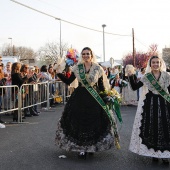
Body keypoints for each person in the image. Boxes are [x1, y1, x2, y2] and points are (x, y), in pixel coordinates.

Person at [55, 47, 120, 159]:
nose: (85, 56)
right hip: (79, 97)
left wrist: (106, 97)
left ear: (91, 55)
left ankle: (91, 147)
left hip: (94, 98)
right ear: (81, 55)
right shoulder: (77, 68)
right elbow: (68, 81)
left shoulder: (98, 68)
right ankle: (82, 149)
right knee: (80, 122)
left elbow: (101, 86)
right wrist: (59, 73)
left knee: (92, 122)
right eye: (84, 54)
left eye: (87, 54)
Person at [128, 56, 170, 164]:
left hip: (164, 104)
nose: (156, 64)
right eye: (153, 62)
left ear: (161, 64)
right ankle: (154, 153)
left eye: (157, 62)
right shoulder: (147, 77)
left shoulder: (166, 75)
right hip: (150, 104)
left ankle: (165, 154)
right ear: (150, 64)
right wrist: (131, 74)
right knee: (153, 128)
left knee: (165, 128)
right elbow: (134, 86)